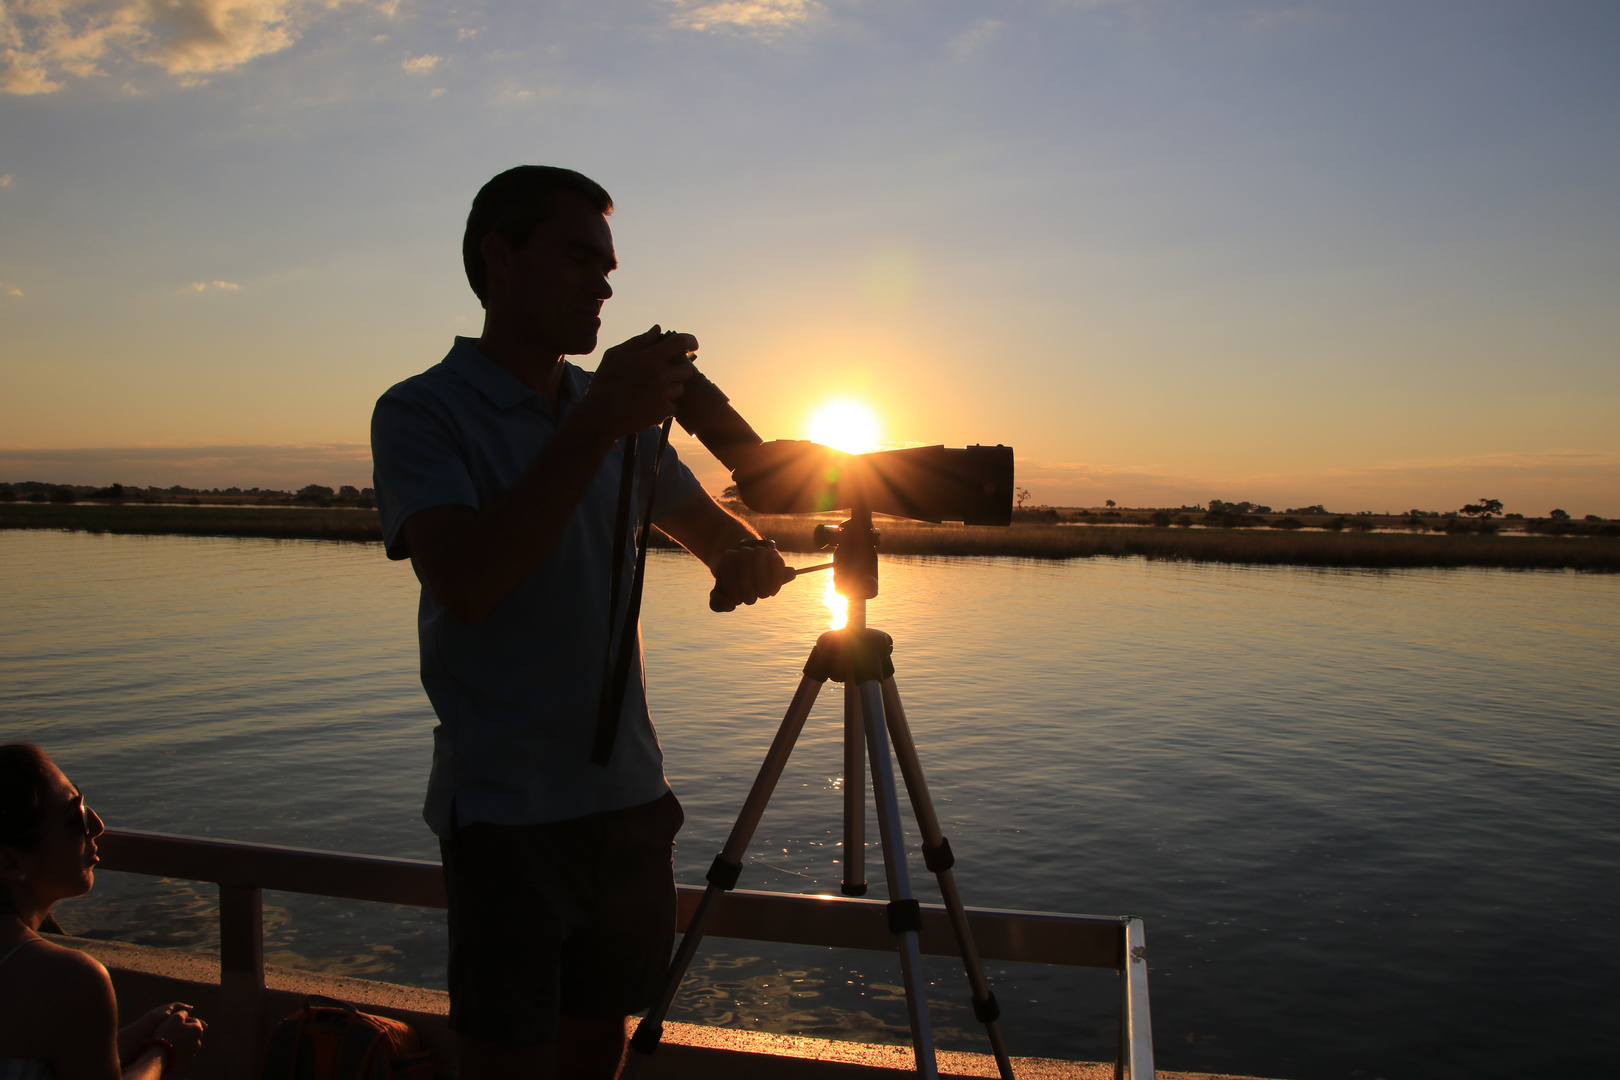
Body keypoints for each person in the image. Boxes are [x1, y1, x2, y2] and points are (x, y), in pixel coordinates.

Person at [370, 166, 791, 1079]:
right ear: (499, 259)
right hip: (508, 815)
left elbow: (718, 539)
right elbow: (468, 581)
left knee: (597, 1053)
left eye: (608, 266)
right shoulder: (421, 411)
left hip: (630, 806)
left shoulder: (623, 424)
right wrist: (597, 421)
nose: (603, 284)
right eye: (577, 257)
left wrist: (747, 560)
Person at [0, 744, 206, 1080]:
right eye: (73, 817)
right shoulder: (67, 979)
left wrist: (133, 1038)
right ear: (10, 861)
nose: (96, 825)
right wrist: (162, 1053)